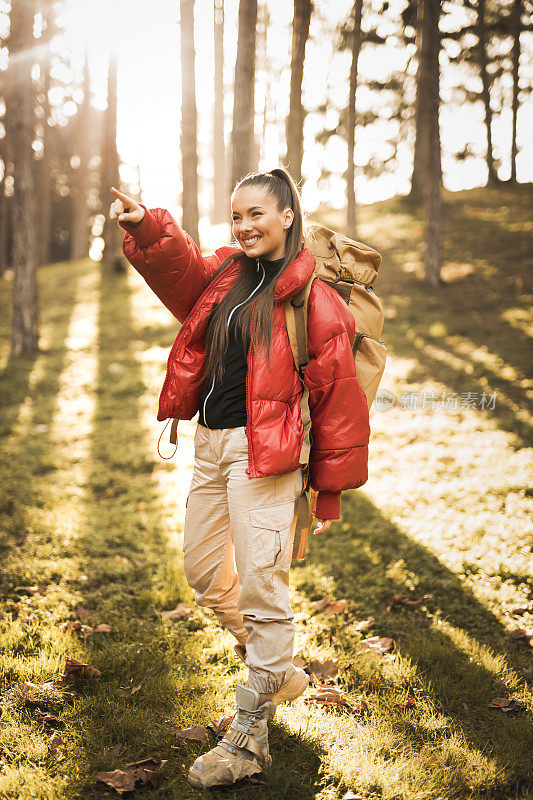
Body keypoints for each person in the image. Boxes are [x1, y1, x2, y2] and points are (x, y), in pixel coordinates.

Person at [109, 168, 370, 788]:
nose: (244, 226)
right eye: (236, 217)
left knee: (262, 590)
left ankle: (248, 741)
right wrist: (148, 226)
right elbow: (179, 274)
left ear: (287, 217)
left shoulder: (314, 297)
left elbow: (337, 395)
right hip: (210, 446)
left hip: (268, 458)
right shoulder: (225, 275)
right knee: (205, 573)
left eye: (257, 214)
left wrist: (327, 488)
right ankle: (278, 669)